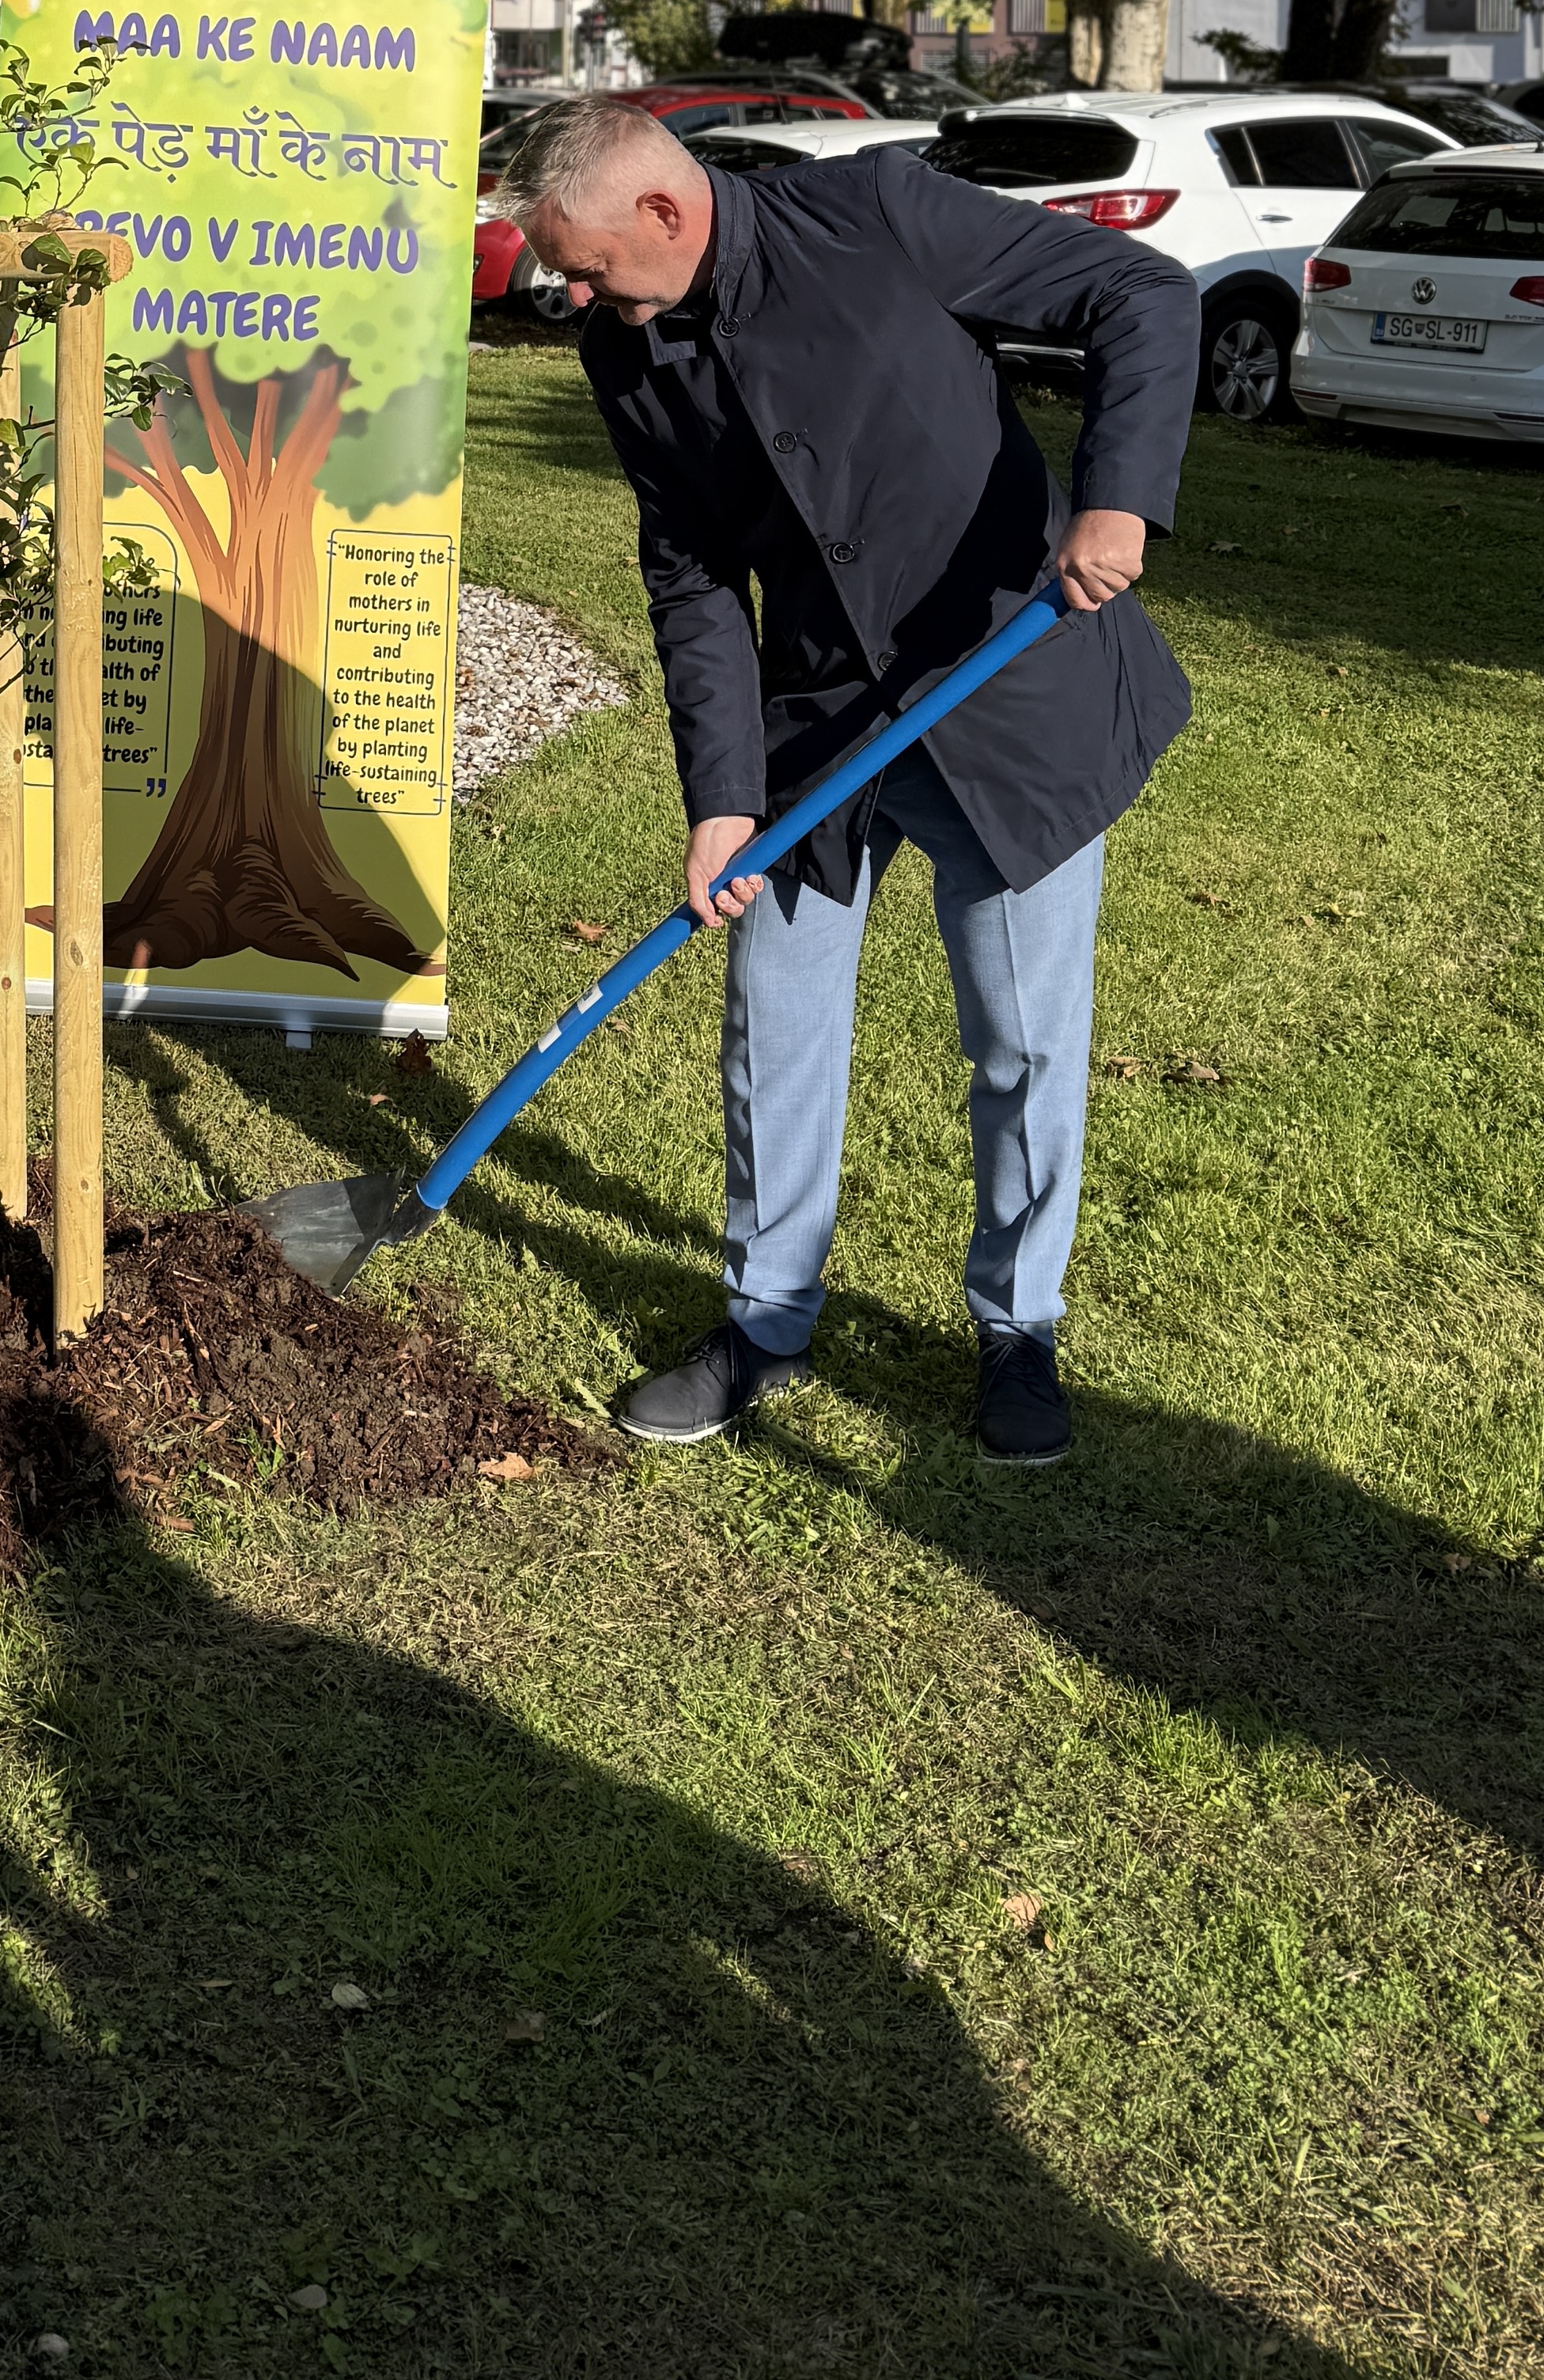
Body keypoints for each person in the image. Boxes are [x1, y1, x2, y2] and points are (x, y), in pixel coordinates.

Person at [509, 98, 1198, 1466]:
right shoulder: (626, 348)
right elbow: (692, 570)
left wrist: (1117, 496)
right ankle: (766, 1316)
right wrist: (721, 793)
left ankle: (1018, 1325)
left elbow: (1140, 289)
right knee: (775, 1018)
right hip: (816, 728)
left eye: (583, 265)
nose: (571, 294)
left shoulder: (877, 213)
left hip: (1008, 691)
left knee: (1022, 1037)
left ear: (663, 209)